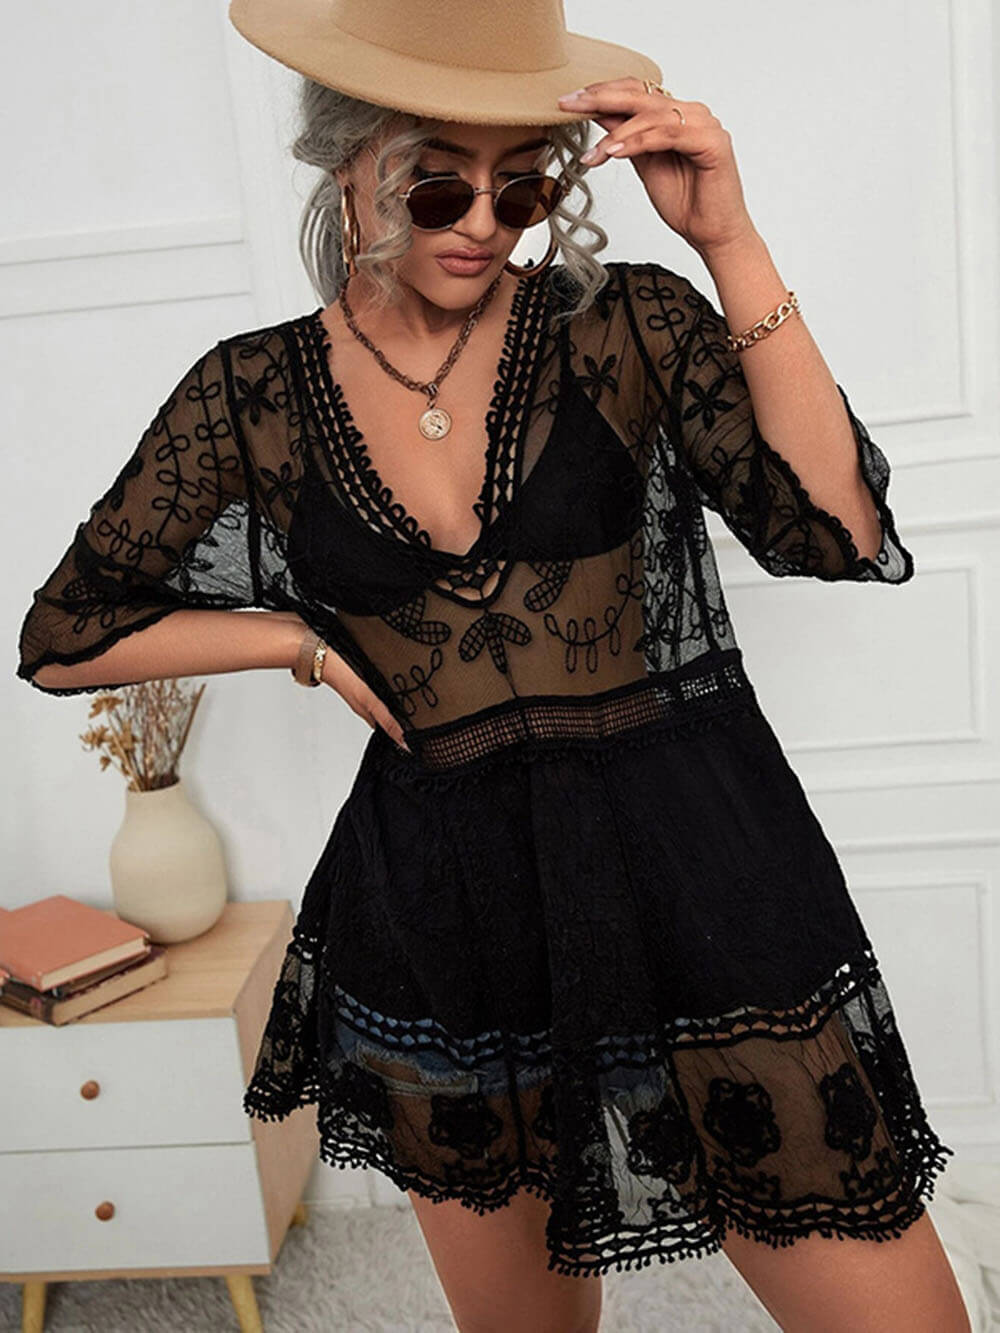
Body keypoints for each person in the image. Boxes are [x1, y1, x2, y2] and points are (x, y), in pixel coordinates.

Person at [16, 2, 970, 1329]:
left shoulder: (625, 324)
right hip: (447, 904)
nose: (482, 222)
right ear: (345, 161)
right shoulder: (248, 396)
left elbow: (835, 531)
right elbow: (66, 637)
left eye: (521, 186)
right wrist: (300, 643)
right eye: (438, 181)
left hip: (697, 866)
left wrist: (730, 240)